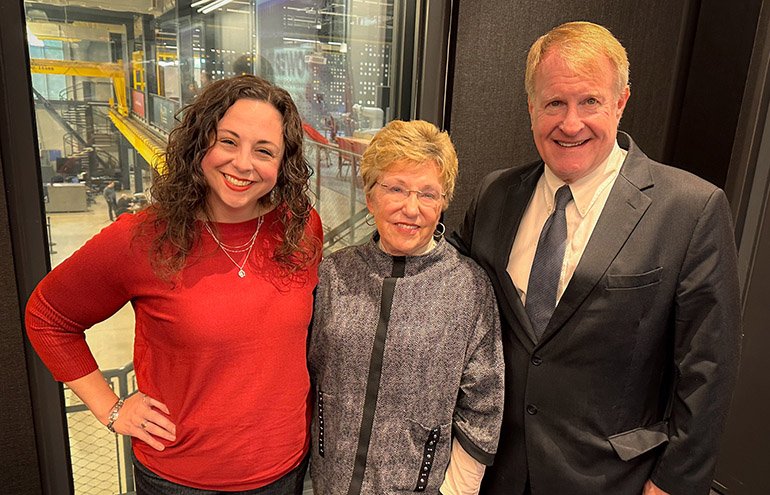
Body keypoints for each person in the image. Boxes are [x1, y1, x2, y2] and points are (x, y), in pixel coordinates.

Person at [451, 21, 742, 495]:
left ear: (621, 100)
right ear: (531, 108)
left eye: (590, 101)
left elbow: (709, 367)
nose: (570, 123)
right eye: (554, 103)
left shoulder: (690, 209)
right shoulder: (495, 195)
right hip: (493, 470)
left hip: (615, 479)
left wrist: (673, 484)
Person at [26, 75, 323, 494]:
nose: (242, 164)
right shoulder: (141, 239)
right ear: (200, 143)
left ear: (283, 163)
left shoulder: (302, 228)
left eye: (264, 151)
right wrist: (110, 408)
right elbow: (48, 316)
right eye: (228, 141)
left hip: (287, 469)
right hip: (180, 479)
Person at [309, 119, 505, 494]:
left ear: (444, 201)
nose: (411, 208)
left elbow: (484, 402)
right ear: (370, 196)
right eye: (396, 188)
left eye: (428, 194)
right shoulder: (335, 273)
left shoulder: (468, 287)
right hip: (327, 481)